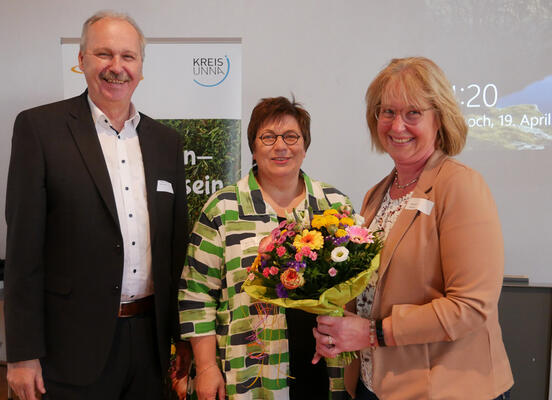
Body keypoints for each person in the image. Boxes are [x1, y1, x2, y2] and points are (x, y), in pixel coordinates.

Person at [4, 10, 188, 400]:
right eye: (104, 54)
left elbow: (175, 248)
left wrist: (181, 338)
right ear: (81, 60)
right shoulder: (40, 129)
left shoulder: (166, 142)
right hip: (70, 345)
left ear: (141, 68)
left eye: (128, 57)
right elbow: (23, 251)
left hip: (150, 345)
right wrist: (21, 354)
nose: (116, 67)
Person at [312, 57, 514, 400]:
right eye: (387, 112)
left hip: (445, 389)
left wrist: (373, 333)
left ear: (439, 118)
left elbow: (471, 307)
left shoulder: (460, 186)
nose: (397, 125)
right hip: (374, 385)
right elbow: (369, 289)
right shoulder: (376, 194)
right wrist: (337, 329)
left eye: (413, 113)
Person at [177, 96, 352, 400]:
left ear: (305, 145)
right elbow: (196, 293)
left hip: (322, 368)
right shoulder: (223, 208)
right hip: (248, 373)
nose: (280, 146)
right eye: (268, 137)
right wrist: (205, 367)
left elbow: (352, 288)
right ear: (254, 148)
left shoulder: (335, 206)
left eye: (291, 137)